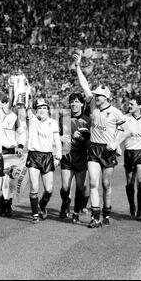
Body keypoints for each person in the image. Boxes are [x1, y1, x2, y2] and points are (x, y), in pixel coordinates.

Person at [74, 51, 127, 228]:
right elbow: (84, 86)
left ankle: (106, 213)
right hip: (94, 149)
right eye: (95, 95)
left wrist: (116, 142)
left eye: (99, 95)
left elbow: (126, 130)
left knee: (106, 184)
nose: (96, 97)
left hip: (108, 150)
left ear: (107, 98)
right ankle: (95, 217)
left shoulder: (116, 112)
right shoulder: (92, 104)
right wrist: (78, 67)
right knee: (93, 183)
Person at [24, 98, 62, 224]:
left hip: (47, 156)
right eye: (39, 108)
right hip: (34, 155)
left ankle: (42, 205)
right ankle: (35, 215)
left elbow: (57, 140)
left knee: (49, 189)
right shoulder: (33, 120)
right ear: (36, 110)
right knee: (34, 187)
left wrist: (58, 155)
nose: (42, 110)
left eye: (44, 108)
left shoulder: (53, 122)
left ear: (48, 110)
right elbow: (27, 108)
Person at [59, 92, 91, 224]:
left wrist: (82, 138)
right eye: (72, 101)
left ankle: (76, 213)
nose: (74, 104)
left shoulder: (88, 120)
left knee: (79, 187)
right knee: (65, 187)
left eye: (77, 101)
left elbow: (90, 142)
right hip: (67, 154)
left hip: (81, 156)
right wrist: (59, 138)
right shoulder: (64, 117)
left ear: (82, 104)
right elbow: (56, 135)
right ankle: (65, 203)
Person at [0, 90, 25, 217]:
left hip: (11, 151)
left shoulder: (14, 116)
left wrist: (20, 145)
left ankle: (8, 205)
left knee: (11, 179)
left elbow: (21, 132)